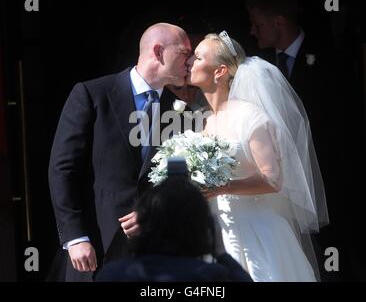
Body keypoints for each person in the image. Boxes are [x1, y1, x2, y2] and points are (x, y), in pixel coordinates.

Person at [48, 23, 192, 281]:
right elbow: (62, 169)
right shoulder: (92, 94)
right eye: (184, 53)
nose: (190, 61)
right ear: (158, 52)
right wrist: (75, 236)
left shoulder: (182, 110)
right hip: (95, 245)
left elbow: (182, 179)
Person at [186, 31, 329, 282]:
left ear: (219, 71)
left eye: (197, 58)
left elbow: (273, 180)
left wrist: (223, 187)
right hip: (218, 232)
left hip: (256, 233)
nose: (189, 62)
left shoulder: (251, 118)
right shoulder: (208, 122)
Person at [246, 0, 356, 280]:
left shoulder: (334, 61)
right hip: (283, 189)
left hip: (331, 183)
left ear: (278, 22)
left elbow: (345, 126)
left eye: (257, 24)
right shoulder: (259, 69)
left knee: (335, 261)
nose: (252, 31)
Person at [96, 158, 252, 282]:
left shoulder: (112, 275)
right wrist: (221, 253)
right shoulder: (209, 275)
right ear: (203, 226)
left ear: (144, 226)